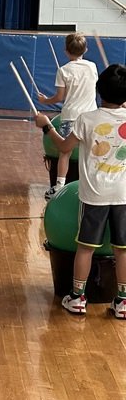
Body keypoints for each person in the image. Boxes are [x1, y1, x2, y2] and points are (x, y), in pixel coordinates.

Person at [35, 63, 126, 318]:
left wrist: (47, 126)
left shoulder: (87, 119)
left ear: (99, 90)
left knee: (85, 248)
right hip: (123, 195)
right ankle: (123, 302)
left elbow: (64, 147)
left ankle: (77, 298)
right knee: (122, 249)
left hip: (95, 195)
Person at [37, 32, 98, 199]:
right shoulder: (92, 67)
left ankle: (59, 186)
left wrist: (44, 100)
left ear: (66, 51)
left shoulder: (63, 70)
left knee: (65, 152)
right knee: (91, 151)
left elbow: (59, 97)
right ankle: (91, 183)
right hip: (90, 116)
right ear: (85, 50)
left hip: (71, 116)